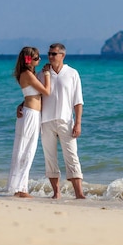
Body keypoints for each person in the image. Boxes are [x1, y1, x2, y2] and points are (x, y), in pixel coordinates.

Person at [37, 43, 85, 199]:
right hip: (46, 120)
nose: (50, 56)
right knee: (50, 157)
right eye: (49, 53)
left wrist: (78, 122)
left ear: (62, 55)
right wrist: (22, 105)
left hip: (66, 121)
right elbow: (34, 95)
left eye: (53, 54)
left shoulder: (72, 73)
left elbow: (78, 101)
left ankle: (79, 194)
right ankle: (56, 193)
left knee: (72, 156)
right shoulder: (43, 73)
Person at [7, 46, 51, 198]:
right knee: (26, 150)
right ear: (29, 59)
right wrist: (47, 74)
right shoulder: (27, 74)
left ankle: (20, 187)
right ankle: (20, 188)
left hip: (30, 113)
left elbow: (30, 95)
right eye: (37, 58)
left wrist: (20, 104)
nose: (39, 60)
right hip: (30, 115)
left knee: (25, 150)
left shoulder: (28, 74)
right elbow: (46, 91)